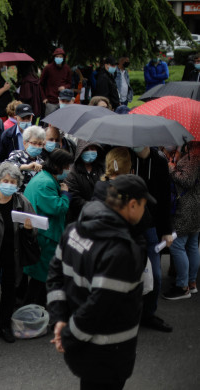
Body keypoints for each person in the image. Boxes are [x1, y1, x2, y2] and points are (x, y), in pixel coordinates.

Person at [47, 174, 152, 390]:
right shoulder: (121, 251)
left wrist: (59, 320)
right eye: (144, 205)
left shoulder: (73, 230)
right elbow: (99, 307)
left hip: (85, 351)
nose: (145, 212)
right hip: (108, 354)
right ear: (132, 205)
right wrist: (67, 337)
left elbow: (55, 276)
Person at [0, 162, 37, 343]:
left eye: (13, 181)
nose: (9, 184)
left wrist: (28, 229)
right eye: (5, 180)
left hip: (13, 254)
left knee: (9, 291)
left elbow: (34, 228)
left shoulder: (22, 201)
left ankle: (4, 326)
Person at [23, 149, 73, 306]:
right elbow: (58, 207)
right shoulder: (46, 183)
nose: (68, 170)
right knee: (40, 278)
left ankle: (37, 310)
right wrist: (65, 194)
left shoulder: (45, 178)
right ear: (59, 166)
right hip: (46, 236)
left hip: (43, 234)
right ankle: (32, 312)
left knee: (41, 278)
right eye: (67, 166)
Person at [131, 144, 174, 328]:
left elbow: (165, 198)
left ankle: (149, 314)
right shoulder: (125, 157)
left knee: (155, 275)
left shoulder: (159, 161)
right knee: (128, 275)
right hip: (129, 227)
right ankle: (129, 314)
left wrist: (166, 230)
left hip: (152, 228)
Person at [165, 142, 200, 300]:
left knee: (178, 245)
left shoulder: (195, 155)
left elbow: (187, 181)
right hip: (195, 205)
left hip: (187, 207)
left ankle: (183, 286)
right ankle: (191, 283)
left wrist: (172, 168)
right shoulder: (193, 153)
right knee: (192, 245)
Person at [64, 140, 103, 224]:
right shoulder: (72, 172)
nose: (90, 152)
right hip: (79, 219)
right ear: (80, 151)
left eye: (93, 149)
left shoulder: (101, 169)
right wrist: (94, 207)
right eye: (86, 149)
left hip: (99, 218)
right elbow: (74, 198)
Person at [7, 125, 46, 191]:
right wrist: (26, 167)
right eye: (34, 143)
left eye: (40, 144)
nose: (37, 146)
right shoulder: (17, 154)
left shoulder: (41, 162)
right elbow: (7, 165)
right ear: (25, 143)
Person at [40, 48, 72, 116]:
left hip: (63, 100)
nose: (58, 58)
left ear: (63, 58)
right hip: (51, 101)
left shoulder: (67, 68)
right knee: (48, 122)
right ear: (54, 57)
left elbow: (70, 83)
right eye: (57, 56)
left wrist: (65, 87)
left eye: (60, 57)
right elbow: (40, 84)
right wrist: (44, 98)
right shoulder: (48, 68)